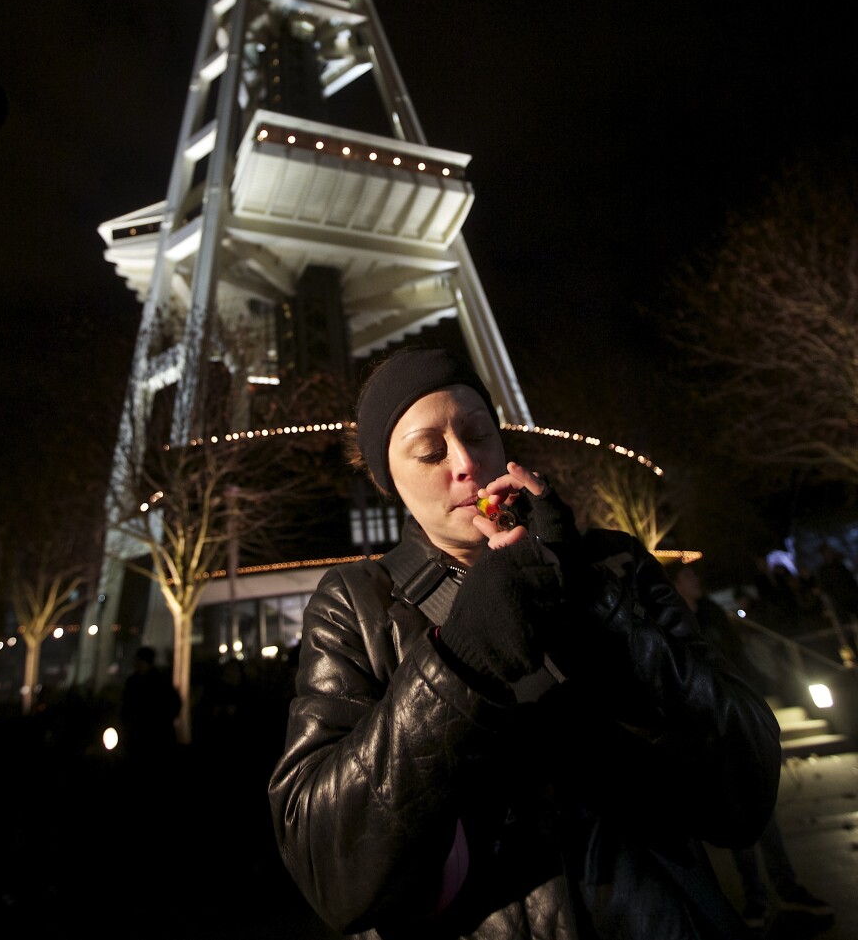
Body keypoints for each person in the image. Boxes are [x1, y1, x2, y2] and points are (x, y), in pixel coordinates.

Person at [269, 345, 782, 939]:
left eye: (478, 434)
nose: (465, 463)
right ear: (391, 482)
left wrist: (591, 606)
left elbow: (745, 785)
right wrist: (458, 664)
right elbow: (327, 866)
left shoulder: (612, 565)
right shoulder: (356, 606)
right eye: (430, 452)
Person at [673, 565, 834, 931]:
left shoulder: (709, 614)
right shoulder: (679, 620)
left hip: (730, 718)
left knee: (760, 808)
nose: (696, 580)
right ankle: (758, 895)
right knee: (740, 813)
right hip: (708, 726)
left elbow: (732, 656)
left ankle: (780, 888)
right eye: (689, 577)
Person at [119, 644, 182, 764]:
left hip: (155, 733)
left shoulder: (158, 682)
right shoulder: (135, 681)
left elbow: (174, 704)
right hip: (145, 733)